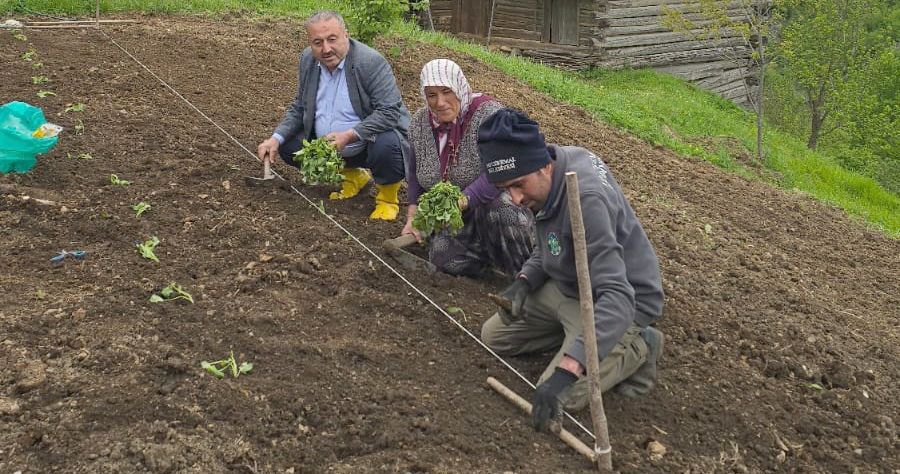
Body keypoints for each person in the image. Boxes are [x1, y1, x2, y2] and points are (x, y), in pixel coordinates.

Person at [476, 109, 665, 432]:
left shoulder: (585, 199)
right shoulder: (550, 170)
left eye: (519, 185)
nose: (516, 198)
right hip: (572, 286)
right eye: (507, 188)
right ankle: (574, 334)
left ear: (544, 167)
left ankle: (640, 344)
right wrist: (525, 281)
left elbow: (617, 295)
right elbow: (550, 242)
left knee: (564, 392)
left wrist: (567, 368)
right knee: (493, 336)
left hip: (619, 301)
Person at [257, 10, 409, 221]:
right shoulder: (308, 60)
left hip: (367, 144)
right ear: (310, 43)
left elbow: (389, 112)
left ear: (346, 35)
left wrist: (350, 135)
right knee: (289, 144)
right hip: (330, 148)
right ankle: (354, 177)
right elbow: (300, 106)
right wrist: (275, 138)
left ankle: (387, 199)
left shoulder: (370, 62)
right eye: (317, 42)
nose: (326, 49)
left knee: (387, 142)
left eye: (332, 39)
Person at [401, 59, 533, 277]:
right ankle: (490, 262)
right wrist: (413, 214)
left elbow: (498, 171)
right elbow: (415, 172)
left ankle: (528, 274)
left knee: (502, 210)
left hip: (493, 205)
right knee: (443, 258)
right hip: (458, 216)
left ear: (459, 87)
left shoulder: (488, 115)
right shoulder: (420, 123)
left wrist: (462, 200)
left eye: (446, 92)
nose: (440, 102)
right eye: (431, 95)